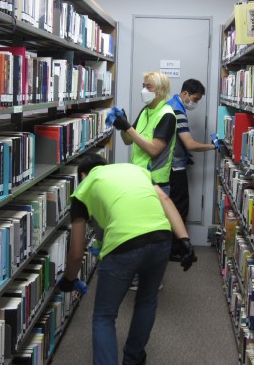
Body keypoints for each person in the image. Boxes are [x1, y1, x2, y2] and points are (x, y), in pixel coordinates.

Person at [57, 154, 196, 365]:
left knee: (104, 316)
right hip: (161, 237)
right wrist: (184, 239)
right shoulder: (136, 171)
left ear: (83, 175)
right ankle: (133, 358)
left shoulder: (83, 188)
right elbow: (165, 199)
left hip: (123, 245)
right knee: (147, 300)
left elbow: (76, 252)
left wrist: (69, 279)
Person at [166, 79, 221, 259]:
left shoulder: (171, 104)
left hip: (169, 165)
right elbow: (189, 144)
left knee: (172, 207)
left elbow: (174, 139)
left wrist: (184, 155)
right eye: (195, 99)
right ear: (185, 94)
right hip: (174, 168)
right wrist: (213, 146)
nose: (195, 103)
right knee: (179, 208)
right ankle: (175, 250)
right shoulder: (178, 111)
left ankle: (171, 248)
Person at [112, 71, 176, 195]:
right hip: (139, 177)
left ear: (162, 90)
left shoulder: (167, 115)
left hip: (156, 183)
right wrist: (123, 127)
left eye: (148, 87)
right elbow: (128, 140)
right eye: (143, 86)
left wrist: (128, 127)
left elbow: (153, 150)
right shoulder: (146, 111)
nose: (144, 90)